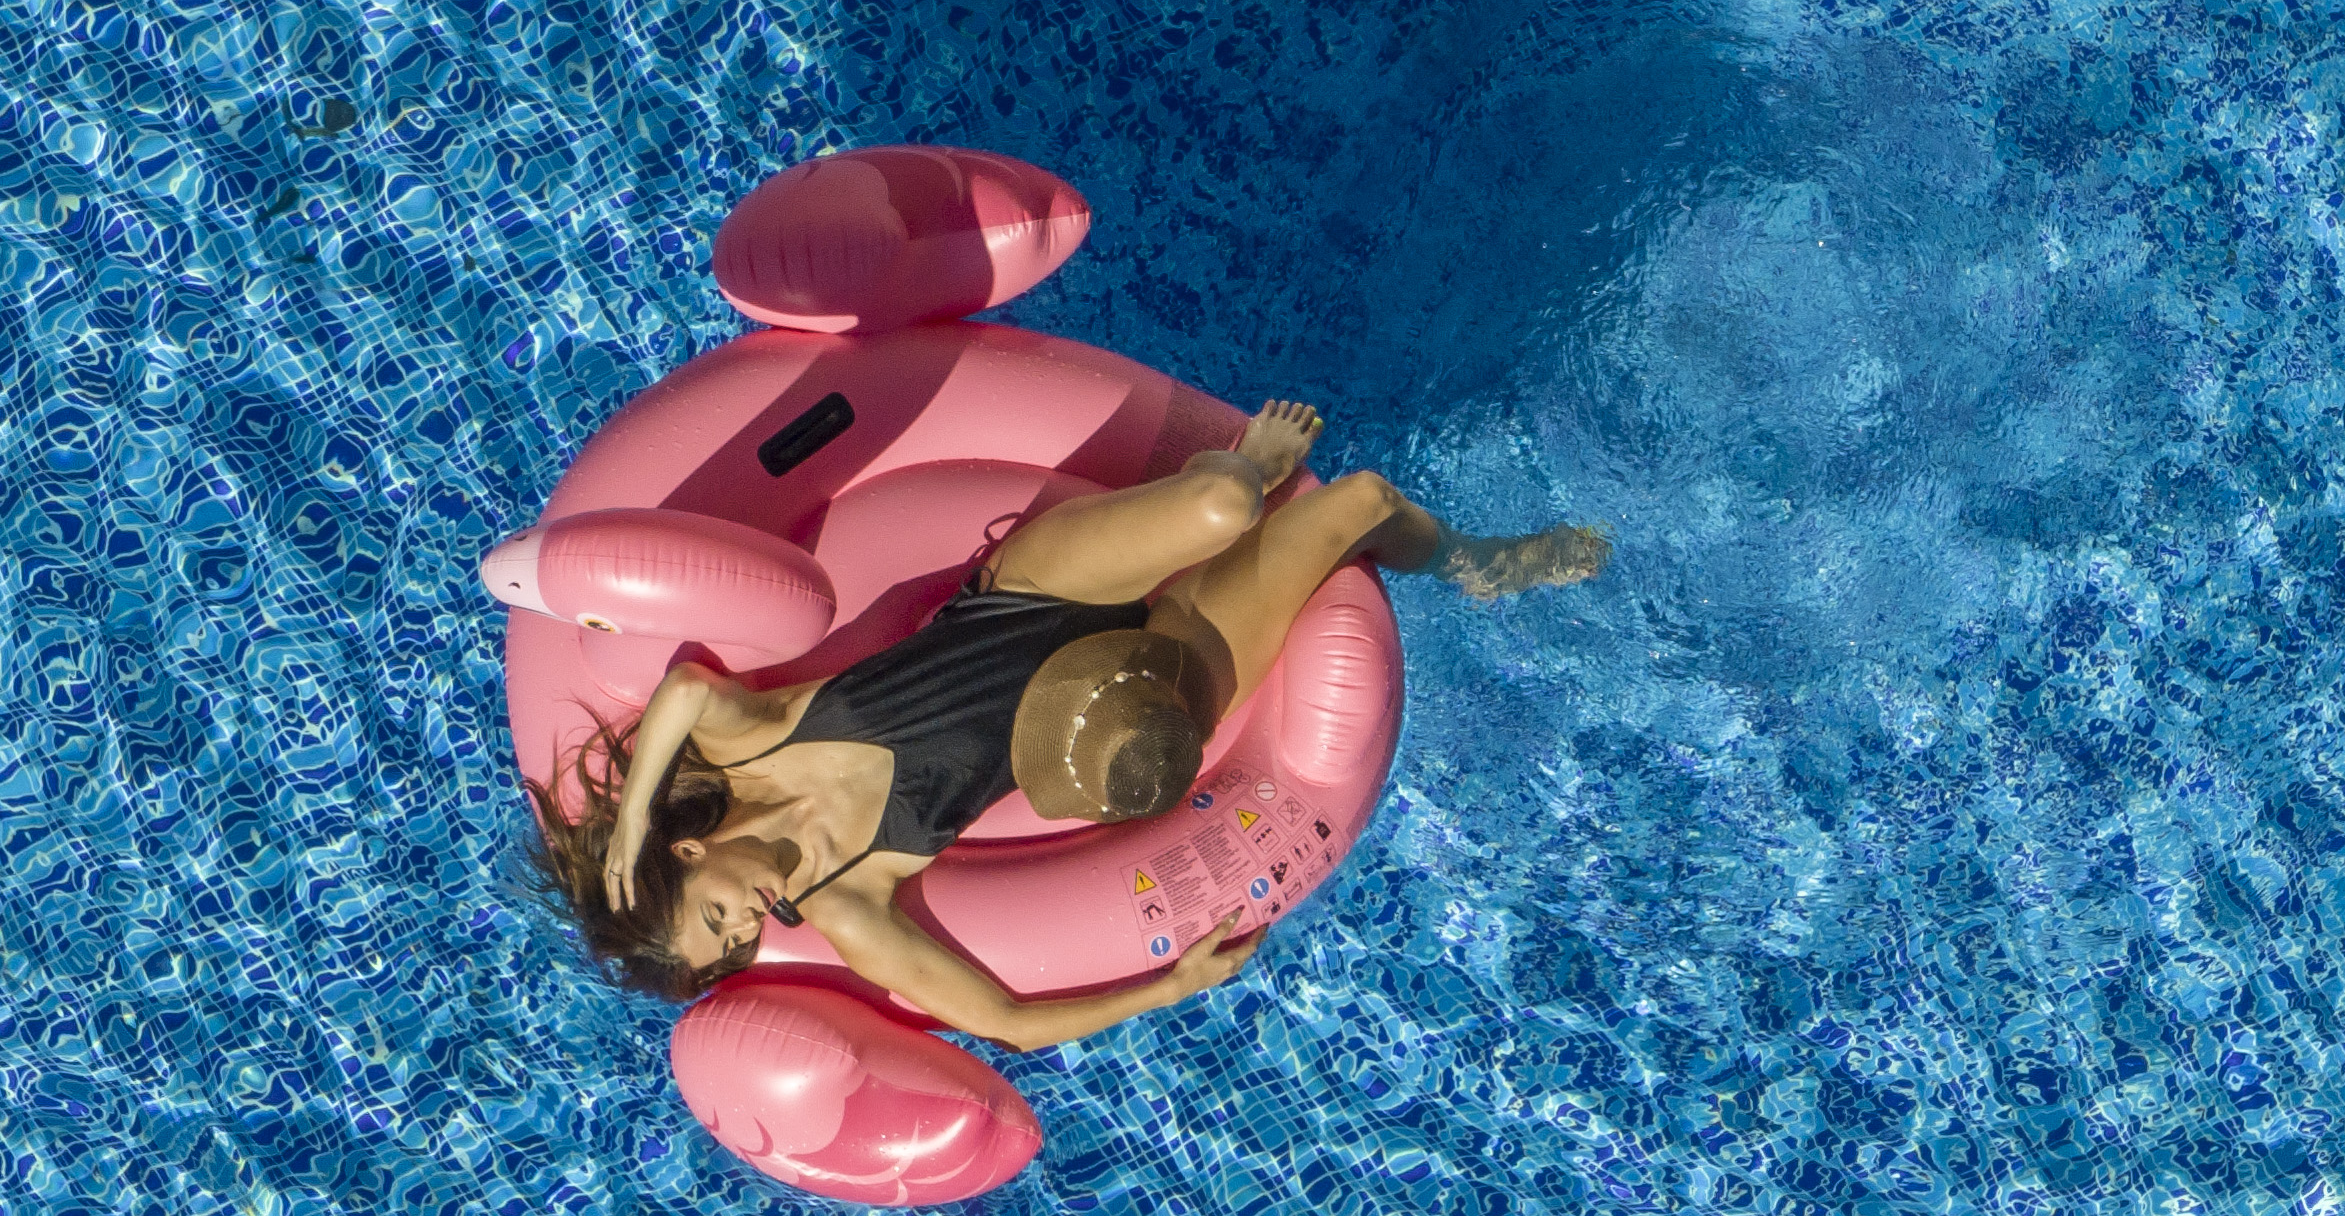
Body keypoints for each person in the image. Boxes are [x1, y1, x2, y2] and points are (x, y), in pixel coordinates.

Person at [516, 402, 1608, 1043]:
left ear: (689, 852)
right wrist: (1166, 983)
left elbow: (684, 692)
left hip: (1030, 595)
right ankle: (1480, 568)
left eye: (715, 914)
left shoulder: (747, 746)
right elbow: (1004, 1020)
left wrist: (632, 819)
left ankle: (1254, 481)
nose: (749, 925)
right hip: (1129, 691)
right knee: (1361, 500)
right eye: (735, 944)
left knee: (1226, 502)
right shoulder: (849, 903)